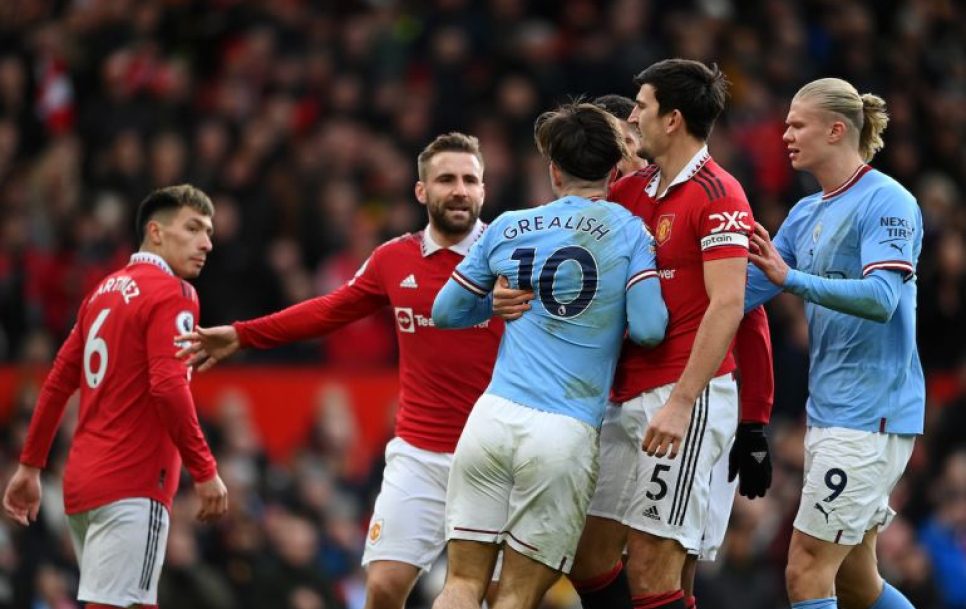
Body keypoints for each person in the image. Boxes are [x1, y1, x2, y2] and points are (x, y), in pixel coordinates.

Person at [174, 132, 504, 609]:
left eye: (470, 180)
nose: (459, 190)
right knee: (384, 587)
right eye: (446, 179)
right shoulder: (394, 258)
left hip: (491, 456)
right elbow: (328, 310)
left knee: (486, 593)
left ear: (483, 191)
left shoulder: (511, 255)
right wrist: (244, 334)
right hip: (418, 456)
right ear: (421, 191)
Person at [497, 60, 763, 609]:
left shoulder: (720, 194)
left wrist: (683, 402)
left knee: (653, 565)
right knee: (591, 555)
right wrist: (506, 286)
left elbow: (731, 303)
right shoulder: (633, 191)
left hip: (683, 394)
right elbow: (568, 245)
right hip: (622, 394)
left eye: (641, 106)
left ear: (672, 119)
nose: (632, 116)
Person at [430, 102, 667, 609]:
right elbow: (649, 329)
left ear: (553, 169)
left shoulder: (509, 224)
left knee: (461, 583)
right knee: (517, 594)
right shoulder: (629, 232)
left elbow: (446, 311)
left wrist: (491, 306)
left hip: (491, 417)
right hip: (563, 431)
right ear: (612, 169)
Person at [2, 184, 229, 609]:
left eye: (209, 232)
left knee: (129, 602)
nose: (207, 243)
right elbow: (167, 386)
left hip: (84, 485)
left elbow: (56, 384)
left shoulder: (101, 293)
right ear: (156, 233)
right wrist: (205, 469)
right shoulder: (175, 294)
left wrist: (30, 466)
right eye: (194, 228)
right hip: (134, 481)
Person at [745, 78, 922, 609]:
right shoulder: (805, 214)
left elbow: (881, 298)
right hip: (832, 412)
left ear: (836, 129)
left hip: (871, 416)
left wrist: (791, 281)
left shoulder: (888, 200)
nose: (786, 134)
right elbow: (747, 291)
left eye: (797, 123)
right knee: (856, 582)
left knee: (805, 568)